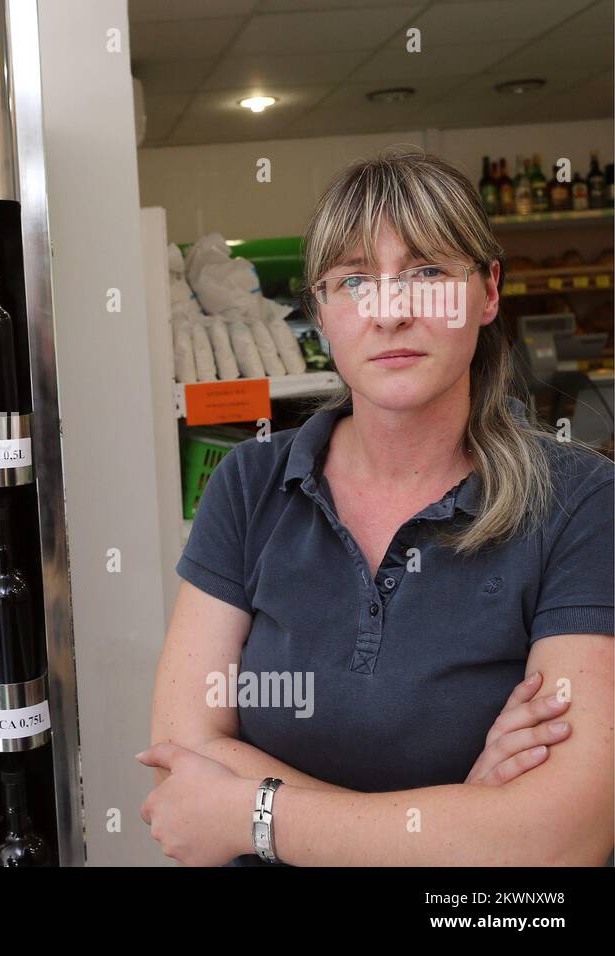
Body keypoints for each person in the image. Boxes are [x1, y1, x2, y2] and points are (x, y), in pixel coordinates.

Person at [140, 148, 614, 866]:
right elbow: (184, 753)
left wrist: (251, 815)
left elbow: (562, 837)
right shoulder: (250, 484)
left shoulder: (580, 501)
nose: (390, 311)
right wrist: (471, 819)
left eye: (427, 273)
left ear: (487, 292)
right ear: (323, 312)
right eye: (355, 280)